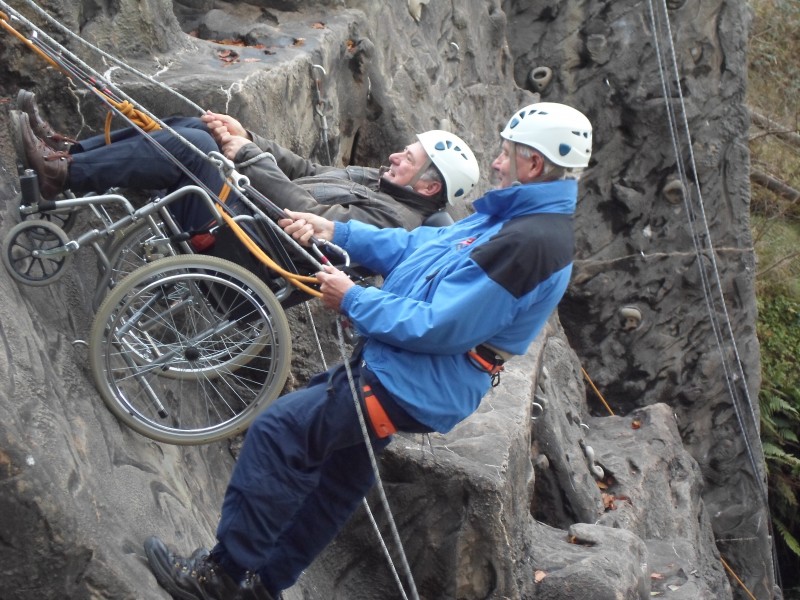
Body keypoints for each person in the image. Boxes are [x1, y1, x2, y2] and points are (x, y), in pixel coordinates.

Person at [142, 101, 593, 600]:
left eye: (506, 154)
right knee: (337, 479)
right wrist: (334, 230)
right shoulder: (515, 221)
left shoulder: (531, 241)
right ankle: (261, 586)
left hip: (407, 380)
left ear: (533, 163)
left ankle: (222, 577)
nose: (497, 163)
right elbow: (414, 249)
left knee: (279, 433)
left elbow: (442, 325)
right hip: (408, 376)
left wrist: (353, 297)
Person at [9, 90, 480, 240]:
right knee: (201, 127)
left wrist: (247, 158)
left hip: (241, 243)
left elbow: (312, 212)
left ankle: (61, 176)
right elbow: (305, 170)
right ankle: (71, 156)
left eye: (409, 160)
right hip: (244, 209)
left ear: (427, 189)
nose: (396, 156)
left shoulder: (393, 220)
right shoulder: (378, 183)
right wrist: (247, 136)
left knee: (193, 144)